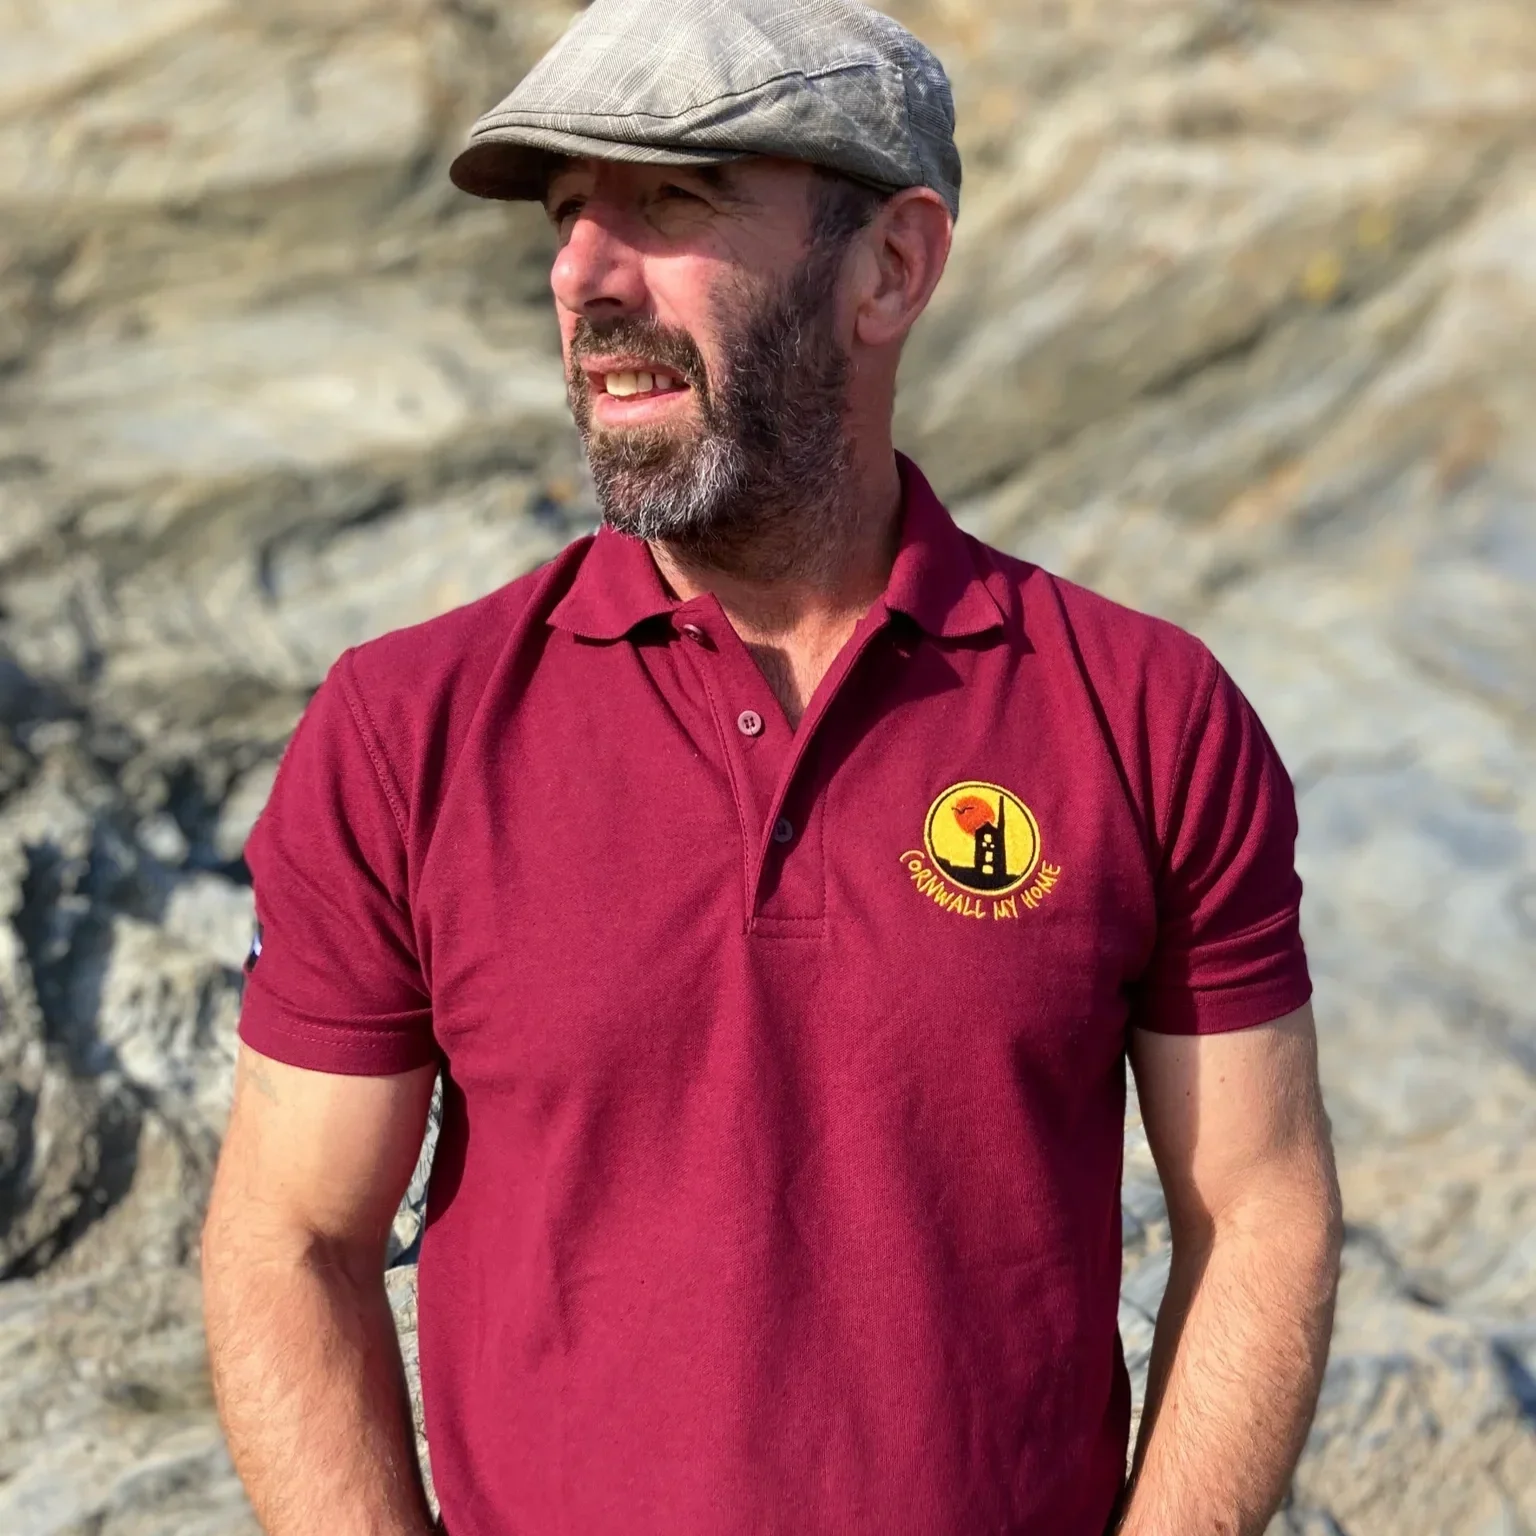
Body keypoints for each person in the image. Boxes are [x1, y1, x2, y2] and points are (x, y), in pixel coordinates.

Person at [200, 1, 1343, 1532]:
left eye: (669, 204)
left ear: (890, 267)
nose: (584, 278)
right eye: (565, 218)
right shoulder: (407, 728)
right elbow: (288, 1238)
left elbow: (1258, 1209)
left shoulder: (1143, 717)